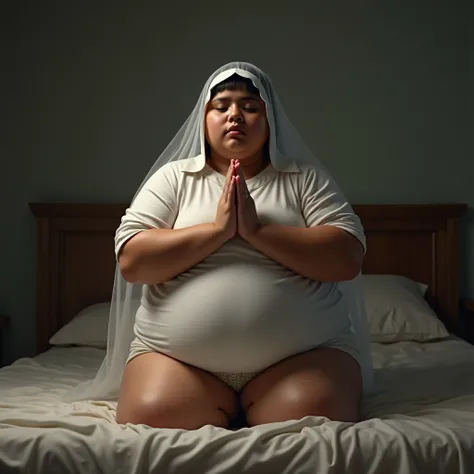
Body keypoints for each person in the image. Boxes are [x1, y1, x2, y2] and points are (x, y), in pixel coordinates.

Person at [66, 62, 373, 430]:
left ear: (269, 117)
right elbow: (133, 260)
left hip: (303, 358)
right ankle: (221, 403)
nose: (235, 116)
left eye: (250, 106)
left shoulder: (303, 179)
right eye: (221, 105)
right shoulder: (175, 178)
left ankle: (257, 403)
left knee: (312, 416)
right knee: (151, 415)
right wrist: (217, 230)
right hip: (178, 361)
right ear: (204, 117)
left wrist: (258, 231)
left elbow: (347, 257)